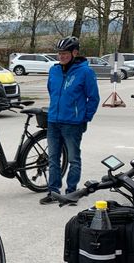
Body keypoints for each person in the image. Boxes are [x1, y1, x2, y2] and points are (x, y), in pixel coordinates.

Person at [39, 36, 99, 205]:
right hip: (54, 120)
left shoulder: (85, 72)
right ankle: (53, 191)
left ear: (75, 53)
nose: (61, 56)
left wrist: (83, 117)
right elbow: (52, 91)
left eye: (65, 53)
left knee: (73, 158)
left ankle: (71, 192)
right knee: (53, 158)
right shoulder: (54, 70)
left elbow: (93, 98)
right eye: (59, 53)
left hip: (73, 123)